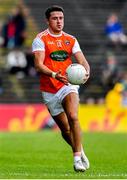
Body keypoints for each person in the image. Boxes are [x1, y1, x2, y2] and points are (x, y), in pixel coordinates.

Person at [32, 5, 90, 172]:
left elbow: (82, 60)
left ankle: (77, 158)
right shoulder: (40, 39)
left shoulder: (71, 39)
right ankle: (79, 148)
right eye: (55, 18)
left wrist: (87, 71)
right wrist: (54, 75)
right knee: (65, 129)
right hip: (49, 89)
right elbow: (38, 65)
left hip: (68, 84)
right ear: (48, 20)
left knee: (73, 116)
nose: (59, 21)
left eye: (61, 18)